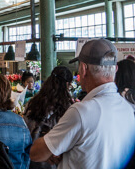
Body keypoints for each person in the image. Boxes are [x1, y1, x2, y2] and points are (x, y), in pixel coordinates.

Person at [30, 38, 135, 169]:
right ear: (116, 69)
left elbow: (36, 154)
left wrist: (53, 149)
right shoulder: (127, 109)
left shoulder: (81, 111)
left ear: (84, 69)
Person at [23, 66, 74, 169]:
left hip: (32, 157)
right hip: (53, 160)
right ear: (67, 85)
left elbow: (25, 128)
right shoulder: (68, 107)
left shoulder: (32, 103)